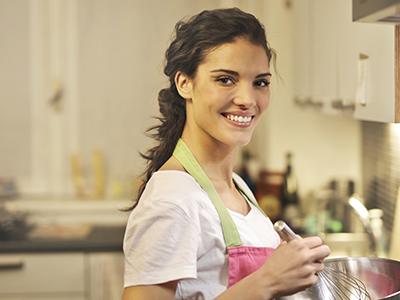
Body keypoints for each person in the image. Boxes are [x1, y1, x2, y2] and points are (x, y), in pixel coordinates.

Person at [122, 7, 330, 300]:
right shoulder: (173, 201)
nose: (247, 100)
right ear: (185, 84)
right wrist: (267, 281)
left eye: (260, 82)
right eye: (225, 79)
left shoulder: (235, 185)